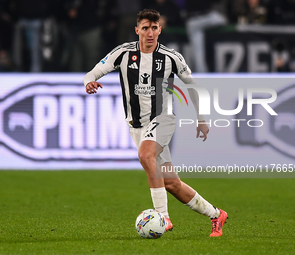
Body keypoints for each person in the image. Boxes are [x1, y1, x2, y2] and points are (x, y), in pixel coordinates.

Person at [83, 9, 228, 237]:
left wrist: (201, 118)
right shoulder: (123, 53)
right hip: (136, 125)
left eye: (154, 28)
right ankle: (216, 214)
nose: (150, 33)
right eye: (145, 28)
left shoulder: (171, 57)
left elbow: (193, 86)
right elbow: (92, 72)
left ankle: (163, 217)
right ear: (137, 30)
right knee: (171, 184)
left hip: (163, 119)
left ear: (159, 29)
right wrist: (89, 82)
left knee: (146, 156)